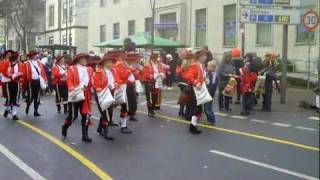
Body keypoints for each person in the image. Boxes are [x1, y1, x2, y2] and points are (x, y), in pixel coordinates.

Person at [61, 53, 93, 143]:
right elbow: (69, 79)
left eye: (86, 59)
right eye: (83, 59)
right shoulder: (72, 68)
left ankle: (85, 135)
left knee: (85, 115)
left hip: (85, 95)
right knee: (73, 116)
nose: (85, 61)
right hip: (75, 93)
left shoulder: (89, 69)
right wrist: (71, 88)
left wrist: (92, 88)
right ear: (78, 60)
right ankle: (65, 127)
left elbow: (90, 81)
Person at [91, 53, 118, 140]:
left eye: (112, 62)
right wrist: (98, 88)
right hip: (102, 93)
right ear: (105, 63)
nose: (111, 64)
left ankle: (99, 128)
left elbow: (115, 80)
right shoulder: (99, 71)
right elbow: (95, 83)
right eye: (110, 62)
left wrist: (115, 83)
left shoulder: (112, 71)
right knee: (105, 112)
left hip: (110, 92)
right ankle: (106, 131)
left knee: (108, 112)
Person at [114, 52, 140, 134]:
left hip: (129, 87)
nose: (134, 62)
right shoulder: (120, 64)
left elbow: (136, 76)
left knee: (127, 105)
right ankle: (119, 125)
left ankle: (123, 125)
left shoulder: (130, 65)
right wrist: (130, 69)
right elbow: (123, 76)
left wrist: (136, 70)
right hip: (122, 88)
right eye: (132, 60)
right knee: (122, 106)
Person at [184, 50, 208, 134]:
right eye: (204, 56)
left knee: (198, 109)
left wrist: (205, 80)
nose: (206, 57)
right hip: (194, 90)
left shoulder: (202, 65)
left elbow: (200, 77)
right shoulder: (194, 65)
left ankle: (193, 126)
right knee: (196, 109)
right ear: (200, 57)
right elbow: (189, 76)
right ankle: (192, 127)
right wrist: (196, 83)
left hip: (200, 90)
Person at [22, 51, 48, 116]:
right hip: (30, 82)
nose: (36, 56)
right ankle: (28, 106)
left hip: (38, 81)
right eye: (35, 55)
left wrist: (45, 79)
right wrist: (23, 84)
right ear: (31, 56)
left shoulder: (39, 62)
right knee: (30, 96)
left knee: (37, 96)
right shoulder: (26, 63)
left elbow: (42, 72)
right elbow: (24, 74)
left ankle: (35, 111)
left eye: (36, 55)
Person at [1, 51, 23, 120]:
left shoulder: (20, 64)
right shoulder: (7, 63)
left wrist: (20, 75)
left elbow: (22, 72)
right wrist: (11, 75)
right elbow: (4, 71)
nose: (19, 58)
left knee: (15, 98)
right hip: (9, 82)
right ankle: (6, 109)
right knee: (9, 98)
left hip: (17, 82)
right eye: (18, 56)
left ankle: (14, 114)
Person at [143, 53, 165, 117]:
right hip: (149, 83)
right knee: (149, 98)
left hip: (157, 83)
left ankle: (152, 108)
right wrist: (153, 76)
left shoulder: (159, 64)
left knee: (155, 97)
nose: (155, 59)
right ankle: (150, 111)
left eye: (156, 58)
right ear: (151, 58)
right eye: (154, 58)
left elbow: (162, 71)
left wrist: (162, 74)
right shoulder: (147, 65)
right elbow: (145, 74)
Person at [0, 50, 15, 117]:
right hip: (5, 81)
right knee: (7, 97)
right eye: (8, 54)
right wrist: (9, 75)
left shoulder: (11, 62)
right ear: (5, 55)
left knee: (11, 96)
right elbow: (3, 71)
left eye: (10, 54)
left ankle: (7, 110)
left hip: (11, 81)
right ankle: (7, 109)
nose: (9, 55)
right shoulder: (3, 62)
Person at [204, 60, 218, 124]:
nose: (207, 67)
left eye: (208, 66)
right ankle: (209, 119)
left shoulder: (214, 74)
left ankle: (211, 120)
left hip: (209, 93)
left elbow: (213, 85)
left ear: (213, 68)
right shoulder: (208, 73)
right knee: (206, 107)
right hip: (206, 92)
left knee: (208, 107)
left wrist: (209, 92)